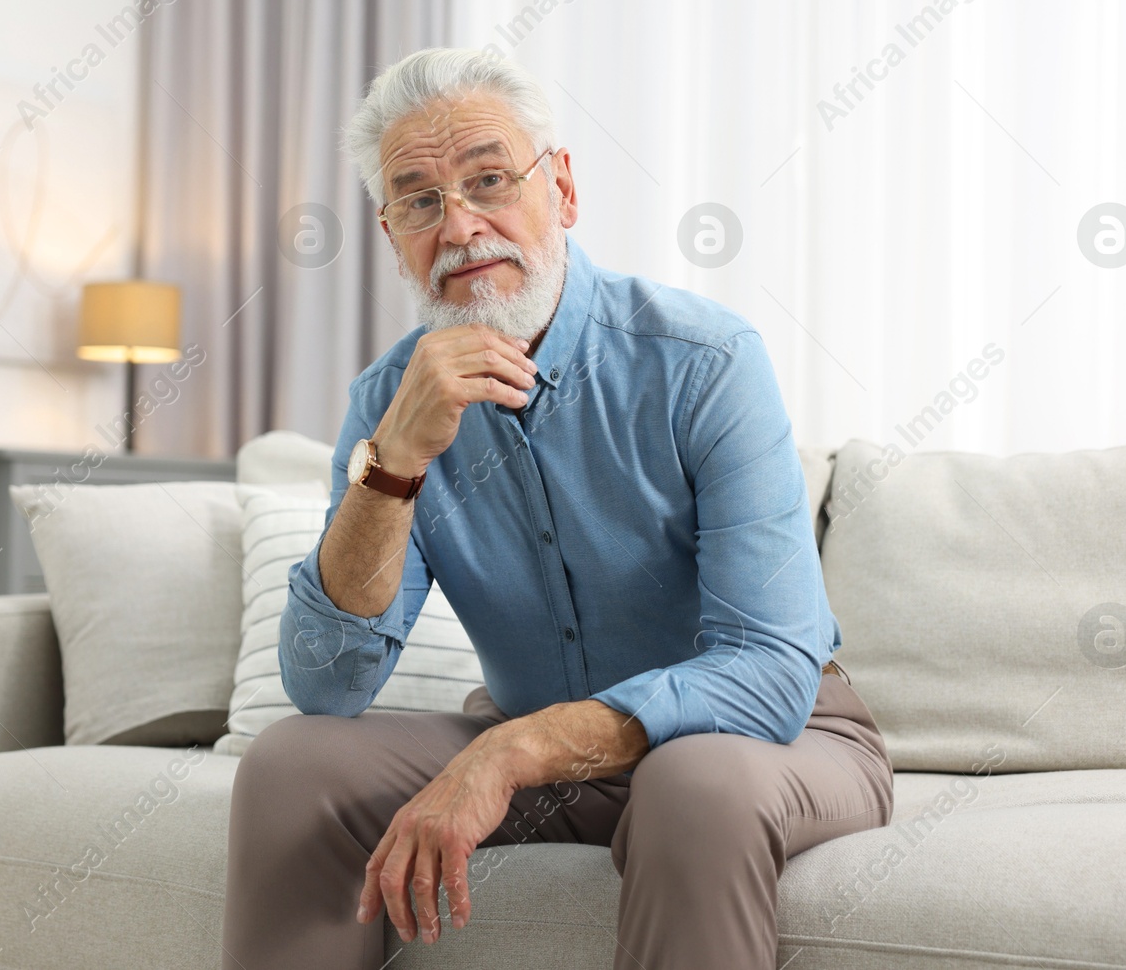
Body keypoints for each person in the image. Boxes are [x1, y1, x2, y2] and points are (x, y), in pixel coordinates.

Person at [221, 47, 894, 970]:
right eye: (418, 199)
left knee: (689, 780)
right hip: (554, 755)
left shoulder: (704, 362)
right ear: (392, 235)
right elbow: (326, 686)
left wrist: (510, 752)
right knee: (292, 765)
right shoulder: (390, 403)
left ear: (563, 189)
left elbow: (771, 672)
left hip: (768, 741)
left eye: (488, 179)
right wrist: (395, 465)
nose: (458, 225)